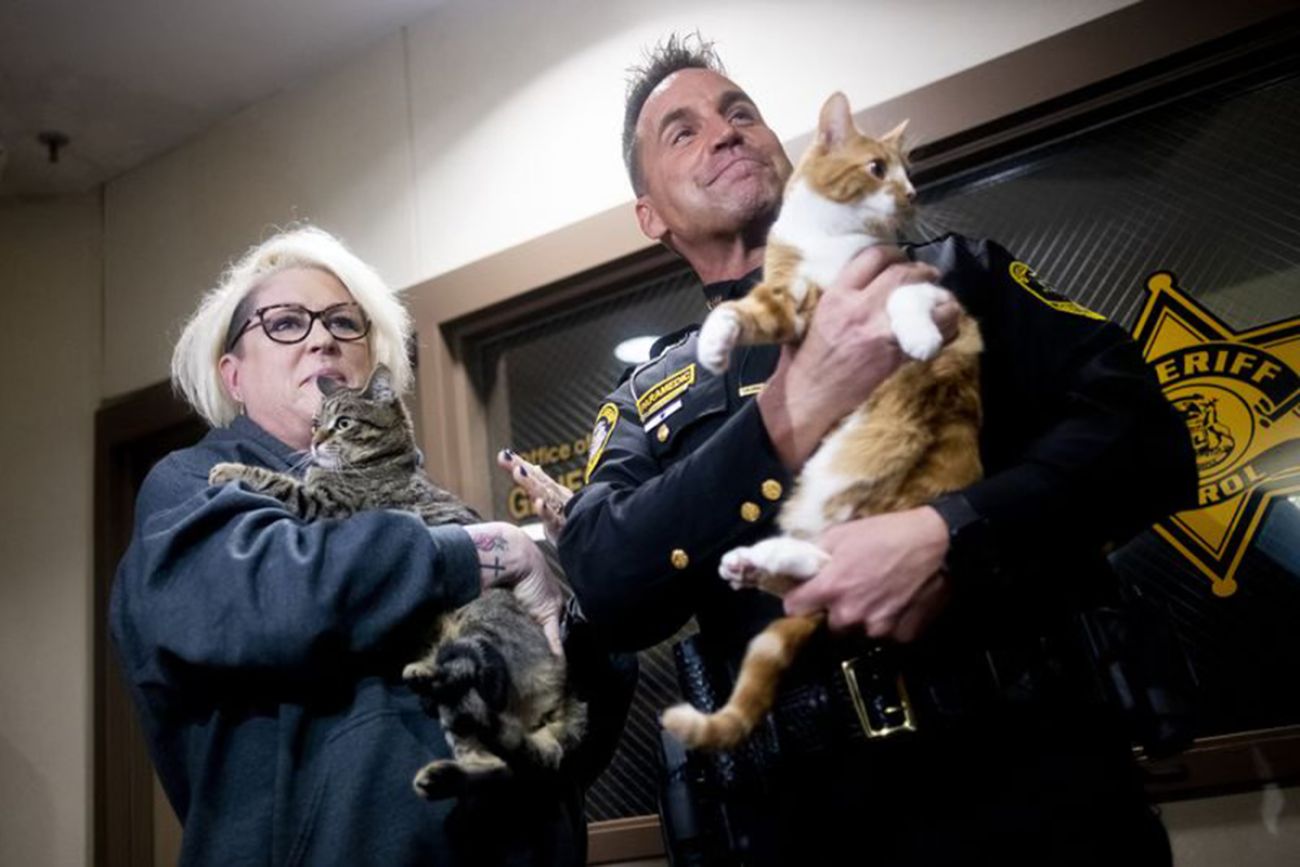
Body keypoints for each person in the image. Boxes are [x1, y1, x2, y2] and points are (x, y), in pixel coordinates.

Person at [509, 35, 1198, 866]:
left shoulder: (945, 274)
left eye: (740, 114)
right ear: (650, 214)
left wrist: (954, 531)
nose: (725, 132)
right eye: (681, 132)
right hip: (805, 826)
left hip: (1042, 790)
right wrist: (787, 414)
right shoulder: (649, 398)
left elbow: (1147, 434)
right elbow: (608, 578)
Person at [110, 226, 591, 866]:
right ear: (234, 376)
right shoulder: (190, 489)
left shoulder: (435, 509)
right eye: (284, 323)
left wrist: (585, 598)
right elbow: (277, 598)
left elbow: (557, 724)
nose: (322, 337)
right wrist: (476, 553)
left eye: (344, 322)